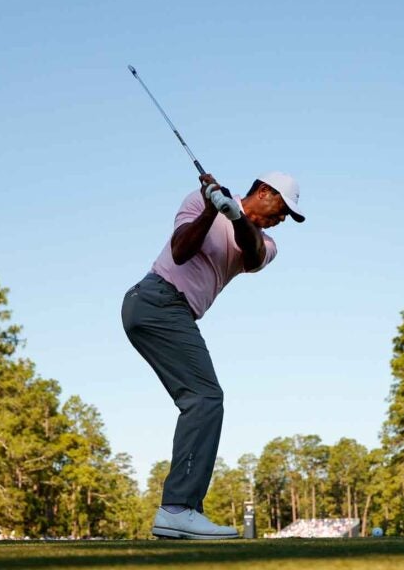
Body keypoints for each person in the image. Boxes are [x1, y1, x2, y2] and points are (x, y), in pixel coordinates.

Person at [122, 171, 304, 539]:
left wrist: (234, 214)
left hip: (169, 310)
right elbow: (180, 250)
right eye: (282, 208)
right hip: (155, 299)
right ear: (264, 191)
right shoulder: (198, 200)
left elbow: (250, 253)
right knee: (205, 399)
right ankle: (178, 509)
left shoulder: (267, 244)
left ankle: (179, 510)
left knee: (201, 398)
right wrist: (209, 209)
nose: (282, 219)